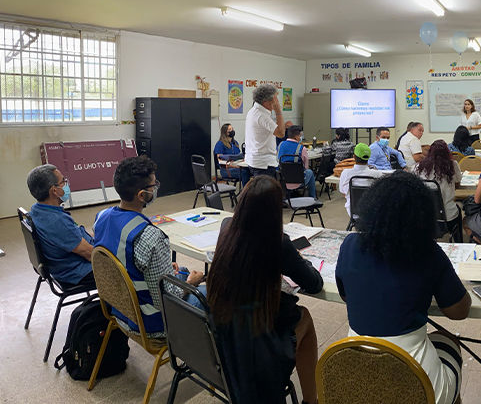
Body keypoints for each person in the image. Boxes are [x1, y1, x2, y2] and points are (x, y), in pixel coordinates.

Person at [336, 173, 471, 404]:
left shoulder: (349, 245)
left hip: (355, 376)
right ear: (423, 216)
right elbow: (459, 312)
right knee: (449, 341)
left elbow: (346, 295)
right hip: (418, 386)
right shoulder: (428, 252)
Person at [208, 176, 323, 404]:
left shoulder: (226, 228)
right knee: (305, 317)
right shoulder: (278, 243)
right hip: (259, 338)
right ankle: (311, 400)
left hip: (228, 327)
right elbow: (314, 283)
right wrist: (299, 260)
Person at [93, 156, 206, 337]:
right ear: (141, 195)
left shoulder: (101, 217)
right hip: (150, 321)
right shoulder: (150, 237)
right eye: (153, 185)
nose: (156, 188)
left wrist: (161, 266)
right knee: (210, 293)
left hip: (119, 309)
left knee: (181, 270)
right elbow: (167, 299)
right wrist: (191, 283)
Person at [26, 164, 95, 287]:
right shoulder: (56, 221)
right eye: (63, 182)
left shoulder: (37, 210)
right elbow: (91, 254)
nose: (66, 184)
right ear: (54, 190)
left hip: (63, 264)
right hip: (78, 272)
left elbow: (72, 237)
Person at [414, 140, 463, 242]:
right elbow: (458, 181)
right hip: (448, 216)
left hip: (427, 215)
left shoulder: (419, 166)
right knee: (458, 208)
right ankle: (459, 241)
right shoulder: (452, 165)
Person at [246, 85, 286, 178]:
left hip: (256, 161)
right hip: (263, 164)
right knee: (267, 192)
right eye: (275, 98)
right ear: (267, 102)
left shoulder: (253, 111)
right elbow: (281, 133)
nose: (277, 102)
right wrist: (278, 111)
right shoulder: (261, 115)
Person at [339, 143, 387, 217]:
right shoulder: (377, 174)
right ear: (369, 157)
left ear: (354, 157)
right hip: (373, 213)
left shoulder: (346, 173)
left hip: (353, 212)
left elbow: (343, 192)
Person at [277, 125, 317, 199]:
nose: (301, 137)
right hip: (298, 182)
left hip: (283, 181)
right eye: (300, 135)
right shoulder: (302, 148)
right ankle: (313, 198)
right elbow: (305, 167)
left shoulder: (280, 145)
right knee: (310, 172)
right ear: (296, 136)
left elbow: (277, 160)